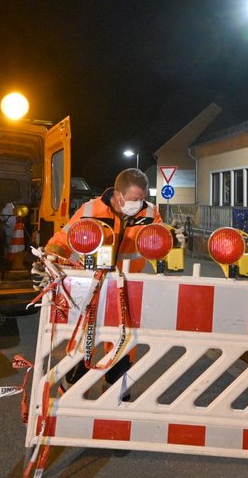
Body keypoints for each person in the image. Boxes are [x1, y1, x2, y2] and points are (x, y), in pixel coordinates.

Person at [44, 167, 164, 394]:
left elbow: (157, 241)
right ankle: (70, 394)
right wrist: (50, 253)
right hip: (92, 289)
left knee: (123, 345)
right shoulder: (90, 209)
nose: (140, 203)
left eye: (143, 198)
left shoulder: (150, 213)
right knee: (83, 344)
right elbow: (64, 238)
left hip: (127, 288)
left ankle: (115, 394)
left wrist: (170, 241)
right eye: (134, 199)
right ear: (118, 194)